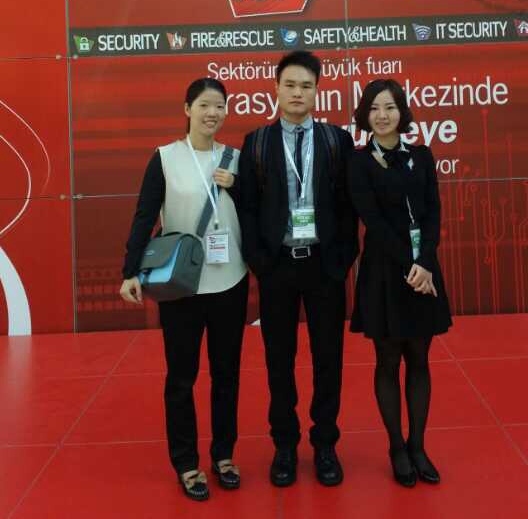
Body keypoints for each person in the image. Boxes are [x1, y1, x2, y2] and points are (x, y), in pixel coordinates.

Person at [119, 78, 248, 502]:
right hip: (181, 286)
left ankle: (224, 454)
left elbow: (255, 212)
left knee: (227, 374)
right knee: (181, 377)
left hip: (230, 281)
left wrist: (239, 186)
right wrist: (130, 271)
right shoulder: (165, 158)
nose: (213, 113)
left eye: (220, 106)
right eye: (204, 105)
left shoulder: (236, 158)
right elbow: (144, 215)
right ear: (187, 109)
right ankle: (186, 462)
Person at [238, 50, 358, 487]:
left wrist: (341, 259)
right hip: (278, 268)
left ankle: (325, 444)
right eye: (289, 85)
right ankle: (284, 445)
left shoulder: (335, 141)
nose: (297, 93)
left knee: (329, 359)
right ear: (275, 88)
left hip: (324, 267)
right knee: (279, 360)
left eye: (306, 86)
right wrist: (261, 262)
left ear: (317, 91)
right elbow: (248, 207)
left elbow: (348, 205)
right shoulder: (257, 142)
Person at [348, 79, 452, 487]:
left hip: (423, 269)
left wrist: (425, 262)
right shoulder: (359, 161)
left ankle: (418, 445)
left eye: (389, 107)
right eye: (374, 108)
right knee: (388, 360)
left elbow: (433, 213)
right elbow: (371, 220)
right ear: (365, 115)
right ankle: (396, 448)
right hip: (384, 272)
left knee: (420, 358)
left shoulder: (421, 156)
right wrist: (411, 265)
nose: (382, 115)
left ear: (402, 112)